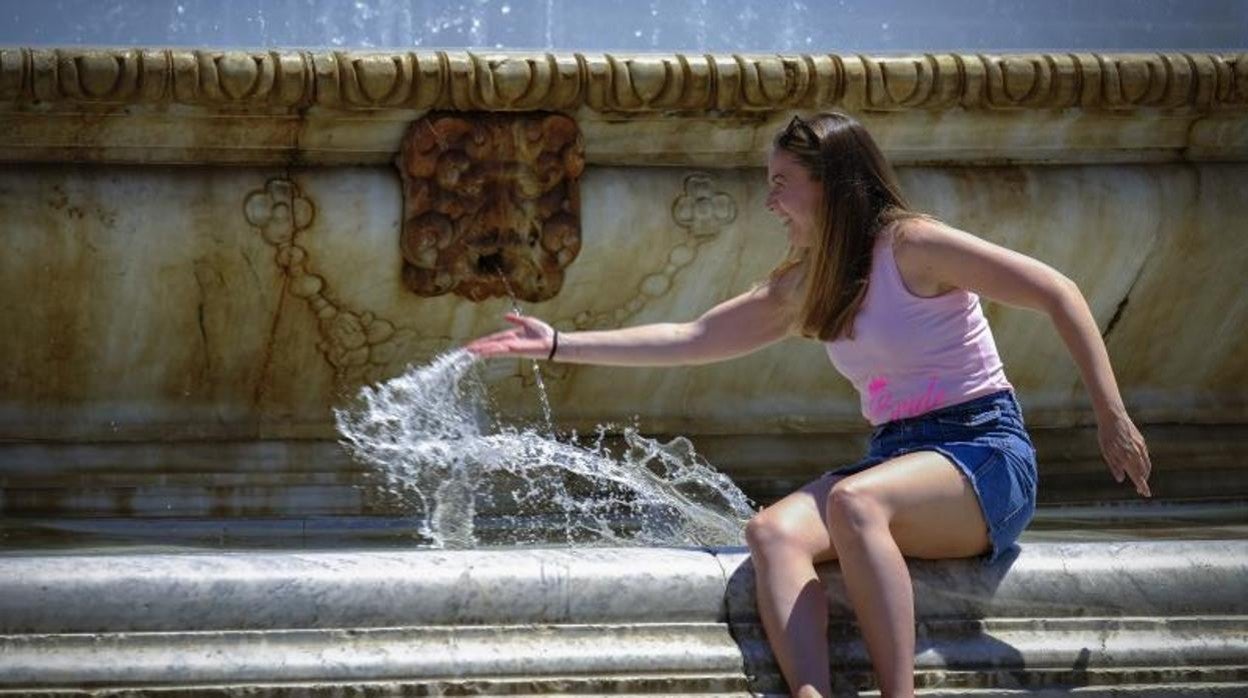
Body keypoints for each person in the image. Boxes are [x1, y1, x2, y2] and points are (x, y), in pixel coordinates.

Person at [466, 112, 1152, 698]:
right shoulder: (809, 281)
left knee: (858, 504)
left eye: (781, 185)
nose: (771, 204)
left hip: (984, 456)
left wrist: (1111, 414)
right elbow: (693, 336)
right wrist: (558, 343)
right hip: (896, 462)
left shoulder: (913, 245)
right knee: (771, 533)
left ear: (830, 186)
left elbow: (1059, 290)